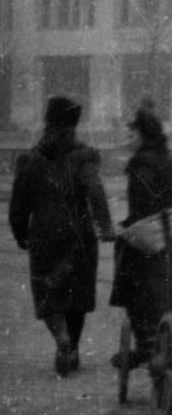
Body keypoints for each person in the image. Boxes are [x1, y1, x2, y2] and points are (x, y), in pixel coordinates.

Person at [9, 96, 115, 376]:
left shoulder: (30, 160)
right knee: (76, 294)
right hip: (78, 235)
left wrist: (20, 232)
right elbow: (95, 190)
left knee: (48, 292)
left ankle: (61, 338)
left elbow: (18, 204)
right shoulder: (83, 158)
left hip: (43, 235)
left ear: (48, 120)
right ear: (74, 123)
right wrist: (105, 227)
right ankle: (74, 347)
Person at [108, 104, 172, 366]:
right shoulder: (171, 163)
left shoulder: (140, 166)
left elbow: (141, 209)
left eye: (131, 135)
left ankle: (144, 343)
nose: (127, 140)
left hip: (149, 237)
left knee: (129, 279)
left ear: (142, 136)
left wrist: (124, 228)